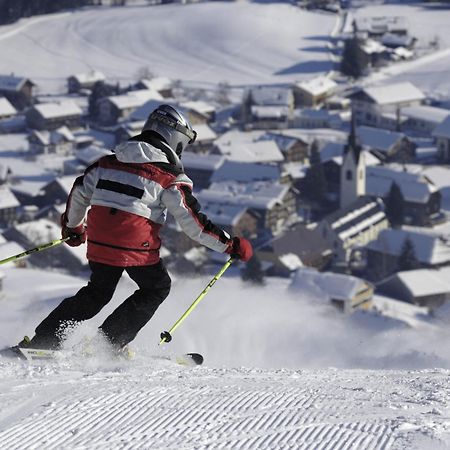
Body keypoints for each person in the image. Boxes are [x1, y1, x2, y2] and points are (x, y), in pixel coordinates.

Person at [17, 104, 253, 353]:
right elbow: (194, 224)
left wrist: (74, 227)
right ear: (175, 139)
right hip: (136, 246)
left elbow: (79, 192)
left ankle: (45, 340)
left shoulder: (106, 163)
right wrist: (230, 245)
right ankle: (105, 346)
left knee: (97, 293)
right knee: (156, 287)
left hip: (99, 243)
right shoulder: (169, 177)